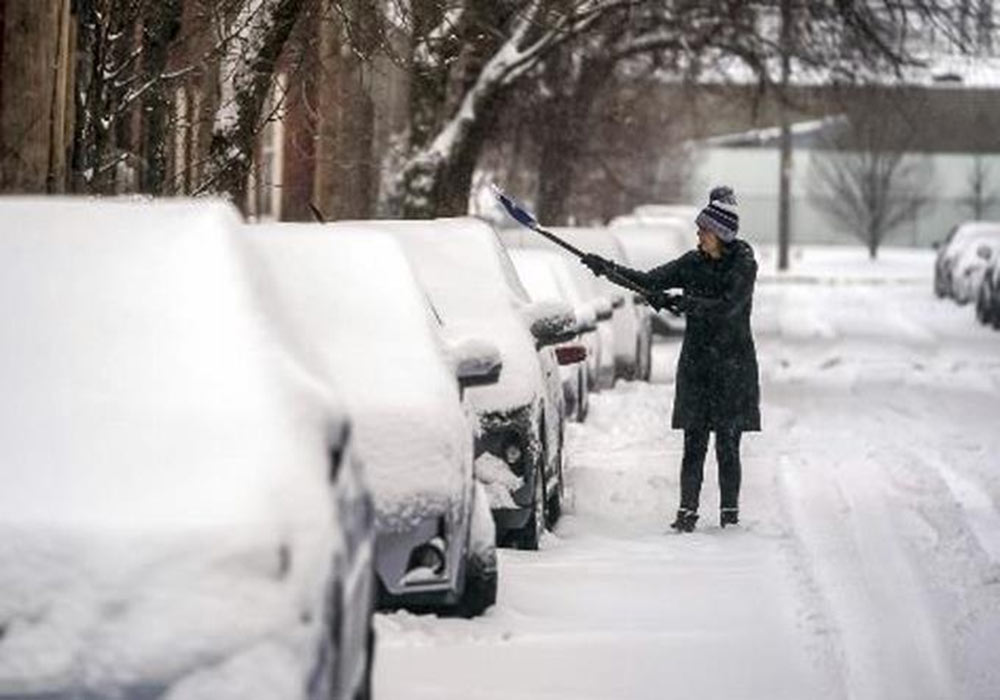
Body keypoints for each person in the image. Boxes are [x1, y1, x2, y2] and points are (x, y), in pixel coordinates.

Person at [581, 186, 760, 533]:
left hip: (732, 366)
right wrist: (606, 268)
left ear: (721, 233)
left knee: (727, 443)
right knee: (693, 444)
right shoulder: (692, 263)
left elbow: (728, 307)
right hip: (698, 364)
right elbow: (650, 281)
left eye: (704, 230)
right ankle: (686, 514)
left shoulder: (744, 263)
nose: (698, 235)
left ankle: (729, 517)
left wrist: (683, 303)